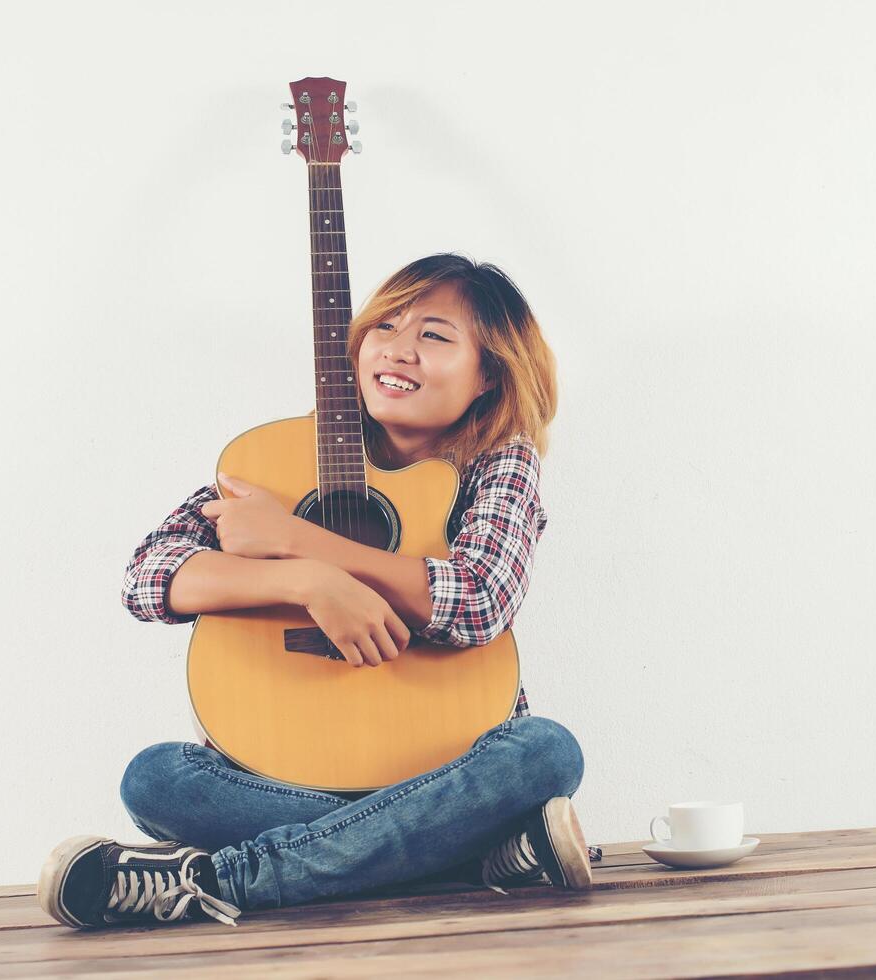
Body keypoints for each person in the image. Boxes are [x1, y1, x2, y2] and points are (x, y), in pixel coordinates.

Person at [37, 253, 595, 930]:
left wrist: (303, 542)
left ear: (489, 375)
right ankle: (469, 854)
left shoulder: (498, 459)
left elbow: (480, 599)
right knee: (155, 778)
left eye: (435, 335)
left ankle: (214, 880)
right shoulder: (278, 455)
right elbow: (149, 576)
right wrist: (305, 581)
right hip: (277, 772)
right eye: (385, 325)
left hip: (446, 757)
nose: (398, 349)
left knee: (544, 752)